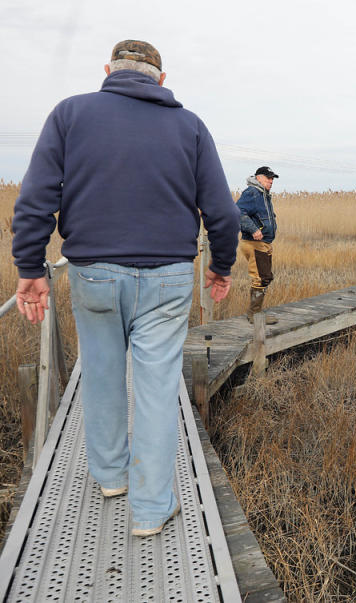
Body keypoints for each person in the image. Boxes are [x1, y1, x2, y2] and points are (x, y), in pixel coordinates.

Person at [11, 40, 239, 537]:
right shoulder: (190, 125)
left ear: (107, 71)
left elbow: (36, 197)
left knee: (101, 371)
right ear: (161, 79)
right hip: (169, 275)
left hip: (93, 272)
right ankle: (153, 509)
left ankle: (110, 477)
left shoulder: (69, 114)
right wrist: (221, 265)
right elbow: (222, 211)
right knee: (157, 388)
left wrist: (30, 266)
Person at [237, 166, 280, 324]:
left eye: (272, 178)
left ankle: (256, 311)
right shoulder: (252, 193)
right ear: (258, 177)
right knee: (260, 278)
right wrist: (253, 229)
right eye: (268, 178)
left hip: (263, 243)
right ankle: (254, 314)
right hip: (254, 243)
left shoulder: (264, 195)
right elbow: (238, 212)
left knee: (265, 277)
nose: (271, 181)